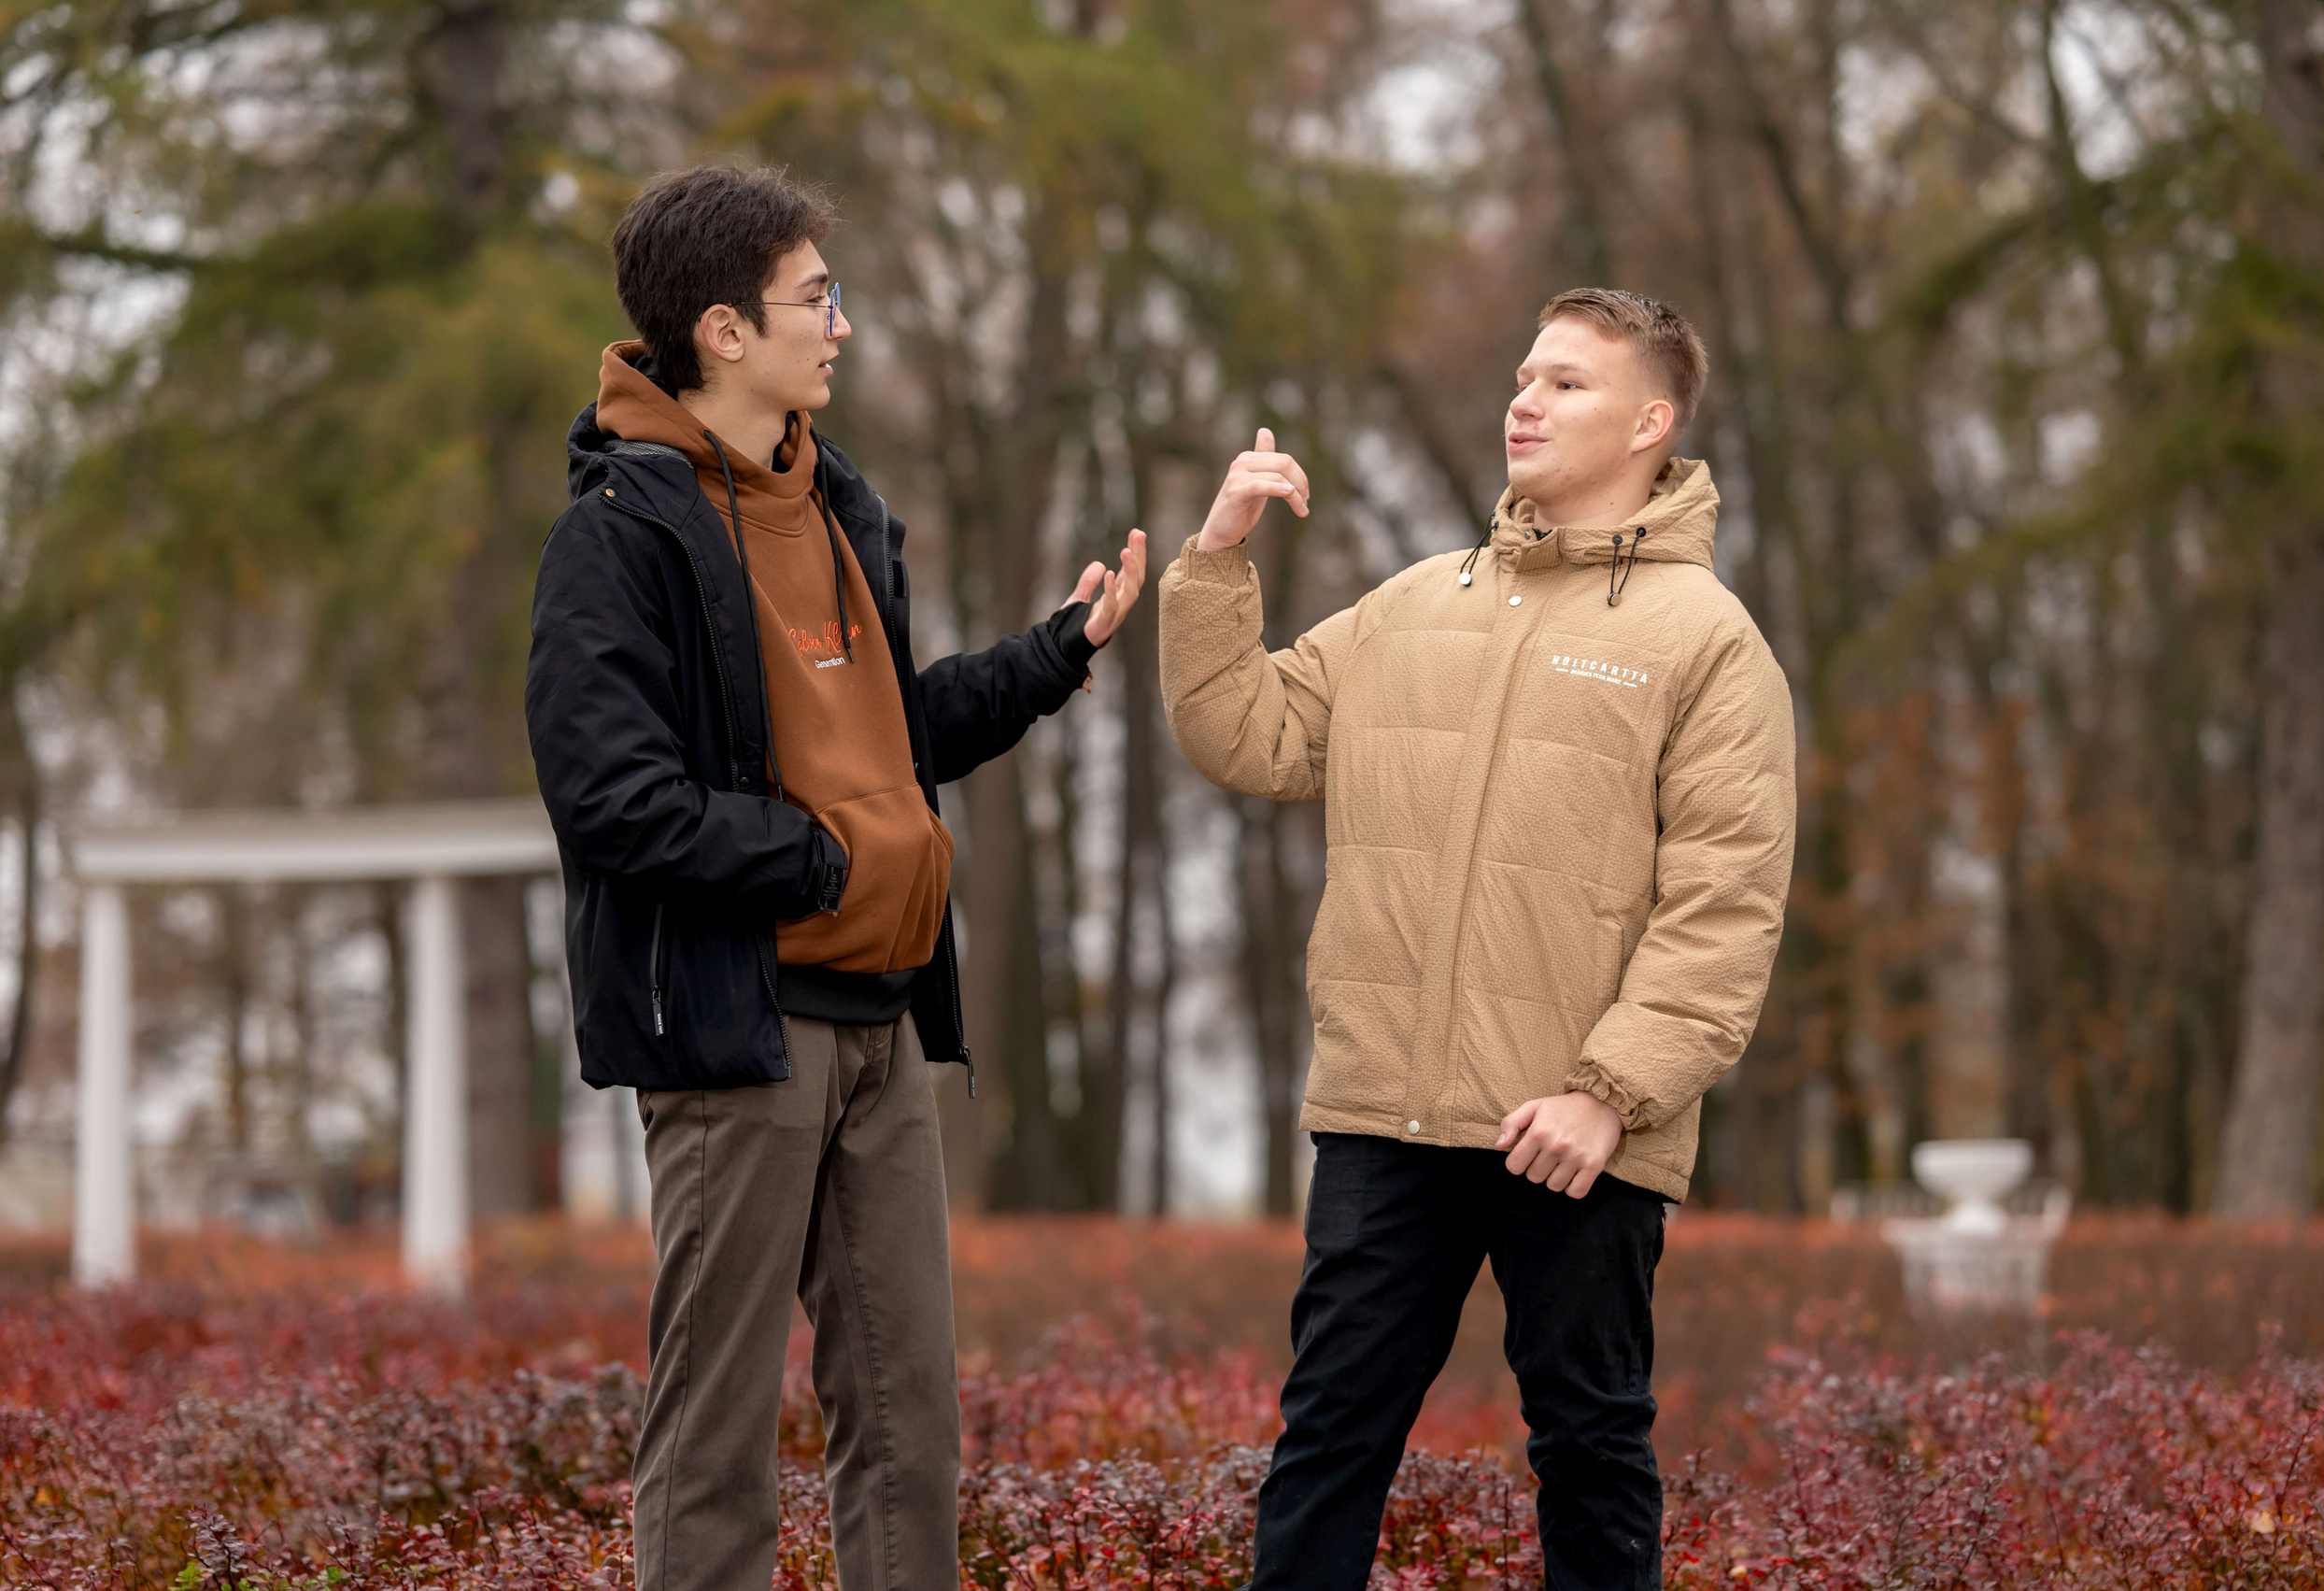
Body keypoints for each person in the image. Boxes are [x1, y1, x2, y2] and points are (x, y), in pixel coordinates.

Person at [524, 164, 1146, 1591]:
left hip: (884, 1023)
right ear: (724, 331)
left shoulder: (843, 508)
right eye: (819, 298)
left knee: (912, 1423)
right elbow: (612, 802)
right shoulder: (614, 542)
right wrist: (816, 860)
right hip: (736, 1028)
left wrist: (1051, 658)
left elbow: (884, 739)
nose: (843, 327)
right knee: (718, 1429)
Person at [1158, 288, 1795, 1589]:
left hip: (1576, 1133)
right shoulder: (1410, 605)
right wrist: (1218, 562)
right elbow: (1252, 733)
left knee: (1590, 1443)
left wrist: (1609, 1095)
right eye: (1522, 375)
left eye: (1566, 381)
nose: (1525, 399)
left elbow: (1723, 902)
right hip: (1385, 1115)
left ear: (1652, 421)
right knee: (1329, 1438)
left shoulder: (1708, 644)